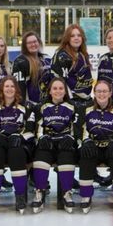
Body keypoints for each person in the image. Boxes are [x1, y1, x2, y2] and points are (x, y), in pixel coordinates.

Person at [0, 76, 37, 214]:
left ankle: (20, 196)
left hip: (18, 144)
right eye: (6, 86)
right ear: (1, 89)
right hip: (0, 143)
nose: (9, 89)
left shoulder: (26, 107)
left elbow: (31, 129)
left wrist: (21, 138)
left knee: (16, 153)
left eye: (12, 86)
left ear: (16, 89)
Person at [75, 79, 113, 213]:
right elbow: (77, 129)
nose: (102, 94)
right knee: (86, 155)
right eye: (98, 91)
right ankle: (86, 196)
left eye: (105, 91)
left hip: (112, 147)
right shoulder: (85, 108)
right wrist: (84, 142)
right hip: (93, 146)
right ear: (94, 93)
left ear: (110, 93)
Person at [34, 77, 79, 212]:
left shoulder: (73, 107)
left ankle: (67, 193)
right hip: (48, 142)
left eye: (61, 88)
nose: (58, 91)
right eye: (55, 88)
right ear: (50, 91)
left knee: (67, 158)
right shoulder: (42, 107)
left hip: (64, 143)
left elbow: (76, 127)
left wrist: (71, 138)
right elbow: (38, 127)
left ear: (65, 91)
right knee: (41, 158)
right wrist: (41, 138)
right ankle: (39, 192)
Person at [53, 24, 94, 104]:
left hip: (84, 100)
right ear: (67, 39)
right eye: (72, 36)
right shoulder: (62, 56)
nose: (76, 38)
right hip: (70, 102)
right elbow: (62, 82)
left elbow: (87, 79)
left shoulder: (82, 54)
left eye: (79, 35)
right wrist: (71, 103)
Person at [12, 31, 52, 106]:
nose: (33, 44)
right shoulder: (20, 62)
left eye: (35, 41)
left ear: (39, 42)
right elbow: (19, 89)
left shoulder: (47, 59)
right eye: (29, 43)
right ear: (25, 46)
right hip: (31, 106)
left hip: (48, 105)